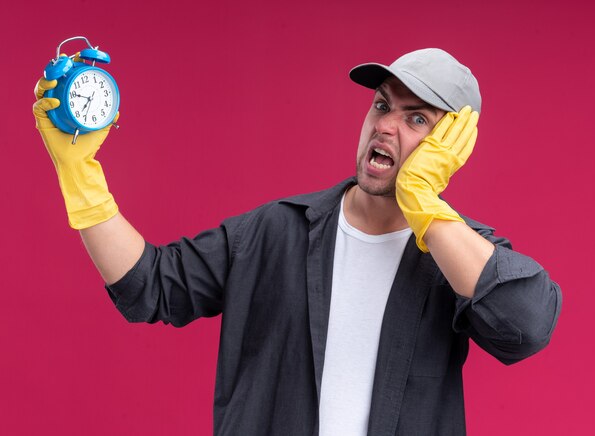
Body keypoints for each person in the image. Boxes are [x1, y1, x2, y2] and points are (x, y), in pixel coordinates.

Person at [33, 48, 562, 436]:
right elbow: (150, 286)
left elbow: (526, 326)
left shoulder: (457, 254)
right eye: (382, 106)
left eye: (417, 119)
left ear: (452, 146)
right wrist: (81, 173)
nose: (387, 127)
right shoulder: (273, 232)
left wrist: (422, 199)